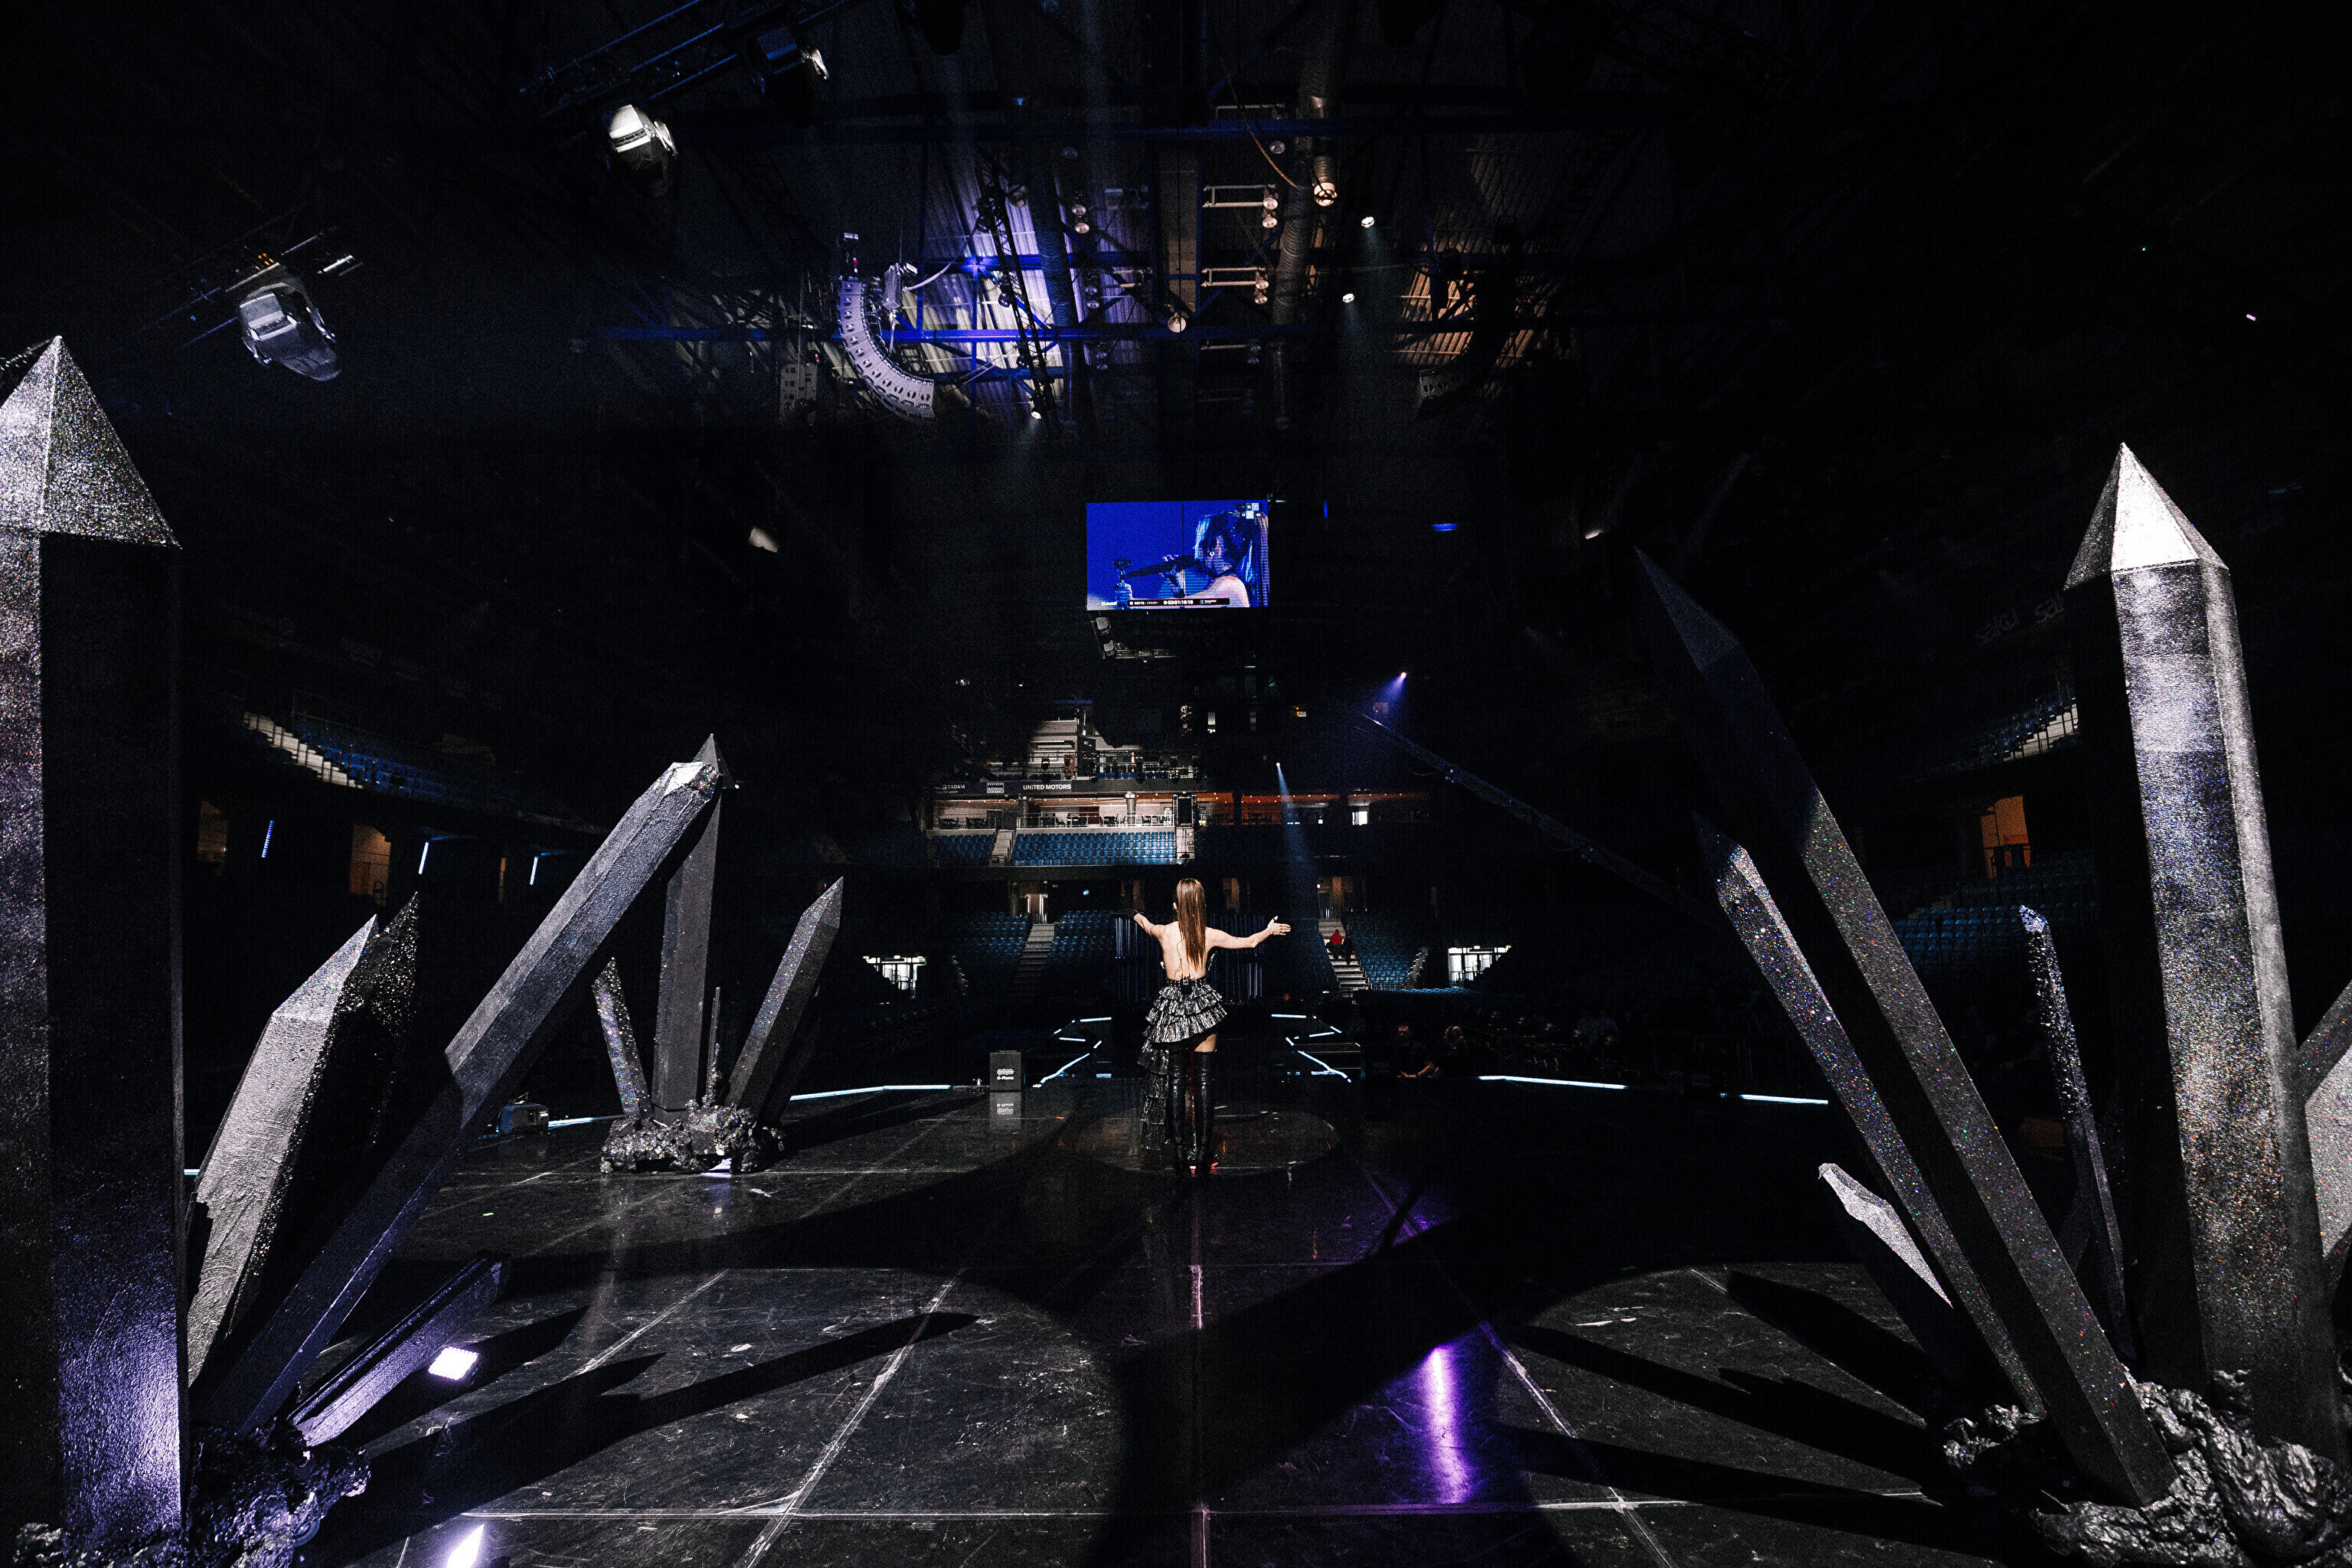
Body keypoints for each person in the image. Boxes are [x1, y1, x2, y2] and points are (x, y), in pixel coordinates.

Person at [1132, 878, 1289, 1174]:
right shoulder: (1209, 934)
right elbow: (1249, 942)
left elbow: (1146, 925)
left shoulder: (1165, 932)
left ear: (1176, 906)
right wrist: (1269, 930)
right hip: (1202, 1005)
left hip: (1173, 1007)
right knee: (1204, 1081)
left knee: (1176, 1081)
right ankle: (1202, 1150)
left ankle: (1180, 1150)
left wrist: (1135, 914)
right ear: (1200, 906)